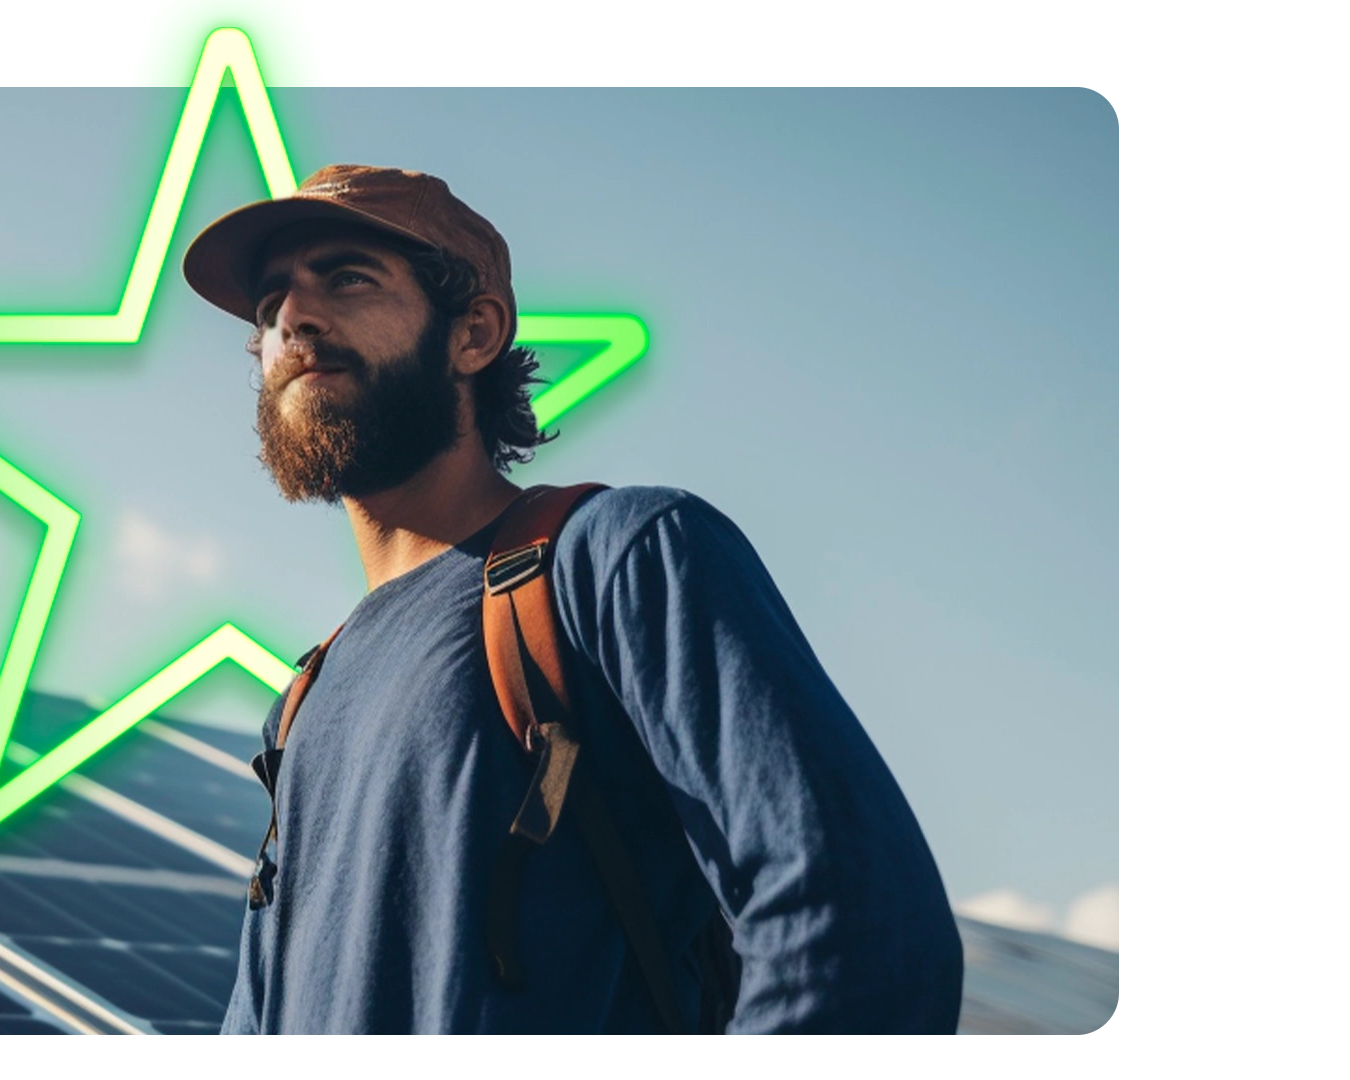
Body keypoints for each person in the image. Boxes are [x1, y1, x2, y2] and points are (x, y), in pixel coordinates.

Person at [180, 164, 964, 1038]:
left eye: (348, 277)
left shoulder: (619, 557)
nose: (294, 318)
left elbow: (853, 928)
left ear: (472, 334)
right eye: (269, 305)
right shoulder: (301, 703)